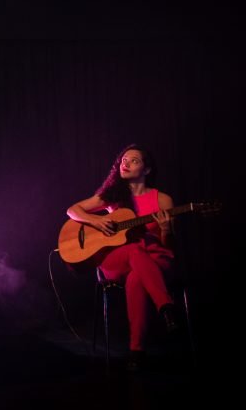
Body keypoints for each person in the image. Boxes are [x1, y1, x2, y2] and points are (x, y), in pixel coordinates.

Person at [66, 144, 181, 370]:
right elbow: (72, 210)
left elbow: (170, 247)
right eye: (123, 160)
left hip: (155, 258)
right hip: (119, 259)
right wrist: (97, 220)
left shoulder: (163, 200)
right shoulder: (113, 196)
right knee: (134, 251)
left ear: (147, 170)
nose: (125, 163)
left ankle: (137, 352)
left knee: (136, 278)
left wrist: (166, 230)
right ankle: (166, 306)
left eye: (134, 160)